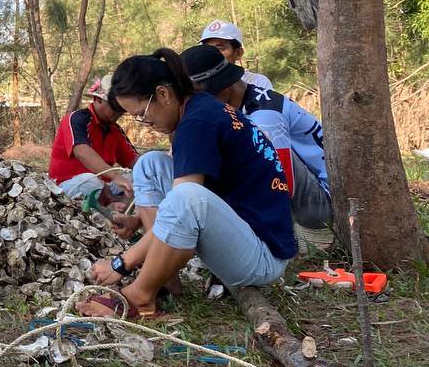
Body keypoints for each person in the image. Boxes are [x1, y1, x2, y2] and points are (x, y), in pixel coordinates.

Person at [80, 49, 294, 320]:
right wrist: (138, 220)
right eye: (135, 117)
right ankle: (164, 273)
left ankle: (140, 296)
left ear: (163, 94)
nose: (145, 123)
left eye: (142, 113)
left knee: (187, 197)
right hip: (241, 231)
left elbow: (186, 203)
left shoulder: (197, 123)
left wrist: (121, 263)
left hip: (262, 256)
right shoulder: (196, 109)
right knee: (150, 164)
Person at [181, 44, 334, 250]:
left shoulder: (264, 116)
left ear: (223, 87)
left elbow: (281, 182)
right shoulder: (237, 107)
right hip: (304, 194)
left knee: (256, 153)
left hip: (320, 204)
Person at [48, 73, 138, 205]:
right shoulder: (76, 119)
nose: (120, 112)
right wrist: (115, 176)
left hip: (104, 187)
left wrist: (150, 167)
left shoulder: (115, 131)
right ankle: (111, 205)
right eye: (116, 106)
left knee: (140, 175)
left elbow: (134, 161)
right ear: (98, 99)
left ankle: (118, 207)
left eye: (122, 108)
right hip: (67, 186)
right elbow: (82, 153)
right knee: (90, 181)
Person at [199, 20, 272, 89]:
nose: (212, 54)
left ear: (238, 53)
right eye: (207, 49)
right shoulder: (201, 89)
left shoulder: (258, 83)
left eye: (220, 49)